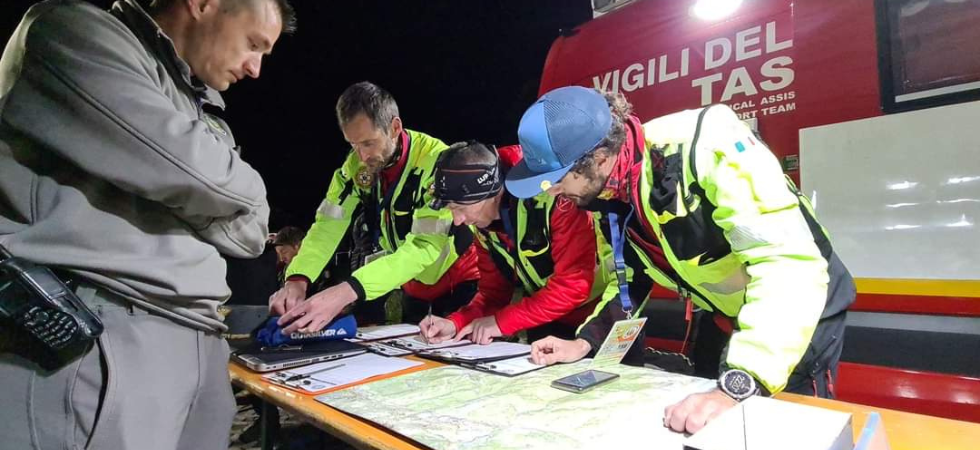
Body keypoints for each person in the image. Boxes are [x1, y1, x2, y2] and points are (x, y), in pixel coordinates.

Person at [0, 0, 295, 448]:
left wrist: (182, 184)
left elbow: (251, 232)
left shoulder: (198, 106)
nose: (255, 69)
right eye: (253, 44)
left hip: (200, 337)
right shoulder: (72, 31)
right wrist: (232, 188)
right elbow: (200, 175)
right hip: (104, 331)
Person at [512, 87, 856, 434]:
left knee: (787, 430)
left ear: (599, 158)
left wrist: (739, 384)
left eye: (557, 179)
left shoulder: (708, 144)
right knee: (707, 426)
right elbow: (629, 280)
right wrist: (585, 342)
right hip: (727, 314)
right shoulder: (610, 193)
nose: (551, 191)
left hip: (797, 311)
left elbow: (786, 264)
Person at [270, 82, 479, 334]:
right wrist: (297, 278)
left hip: (458, 279)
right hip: (410, 281)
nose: (361, 156)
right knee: (412, 352)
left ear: (395, 128)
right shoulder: (354, 167)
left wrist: (347, 291)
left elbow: (425, 247)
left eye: (368, 143)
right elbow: (328, 225)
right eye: (353, 144)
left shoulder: (439, 163)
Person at [419, 141, 613, 345]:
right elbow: (493, 294)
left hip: (602, 315)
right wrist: (455, 323)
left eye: (460, 207)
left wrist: (500, 322)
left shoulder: (556, 195)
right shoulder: (482, 220)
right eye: (451, 209)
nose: (457, 220)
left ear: (492, 193)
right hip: (544, 317)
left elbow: (573, 285)